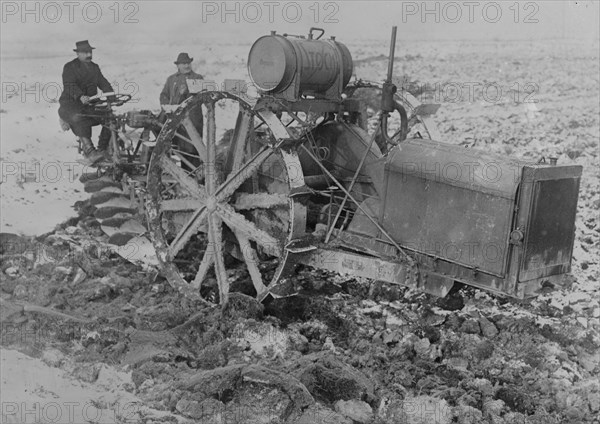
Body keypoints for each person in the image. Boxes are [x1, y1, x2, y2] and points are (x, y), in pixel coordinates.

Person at [58, 40, 115, 164]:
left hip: (89, 104)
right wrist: (80, 96)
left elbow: (103, 82)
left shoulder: (94, 67)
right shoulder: (70, 67)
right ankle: (90, 152)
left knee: (110, 118)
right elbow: (69, 85)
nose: (89, 55)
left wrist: (112, 95)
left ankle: (102, 149)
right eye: (85, 52)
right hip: (70, 104)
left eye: (90, 52)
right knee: (79, 118)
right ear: (78, 54)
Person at [160, 53, 204, 167]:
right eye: (184, 63)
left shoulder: (197, 78)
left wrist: (186, 93)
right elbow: (164, 95)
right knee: (180, 148)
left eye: (188, 63)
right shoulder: (171, 79)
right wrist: (166, 106)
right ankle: (184, 173)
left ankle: (195, 175)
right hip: (175, 119)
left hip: (192, 118)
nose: (186, 66)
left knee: (194, 146)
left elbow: (198, 97)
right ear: (178, 65)